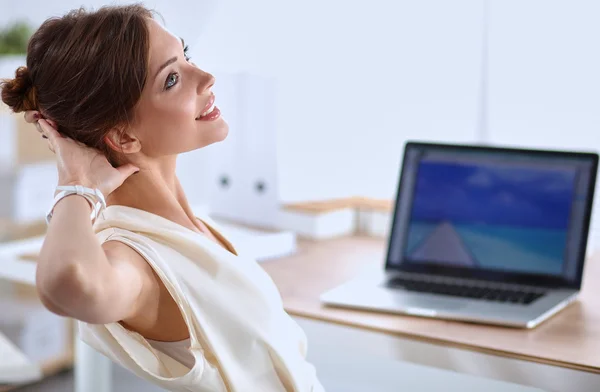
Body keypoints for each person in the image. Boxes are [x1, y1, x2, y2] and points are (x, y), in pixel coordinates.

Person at [0, 4, 324, 392]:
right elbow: (69, 285)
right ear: (123, 138)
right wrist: (76, 182)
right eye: (171, 79)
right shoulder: (137, 256)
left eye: (185, 56)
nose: (205, 77)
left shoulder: (190, 227)